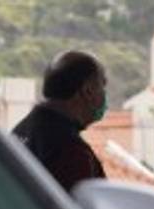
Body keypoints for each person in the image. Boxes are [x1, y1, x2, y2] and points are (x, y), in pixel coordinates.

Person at [12, 51, 108, 193]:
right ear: (87, 91)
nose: (104, 94)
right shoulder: (72, 153)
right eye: (102, 86)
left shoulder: (23, 130)